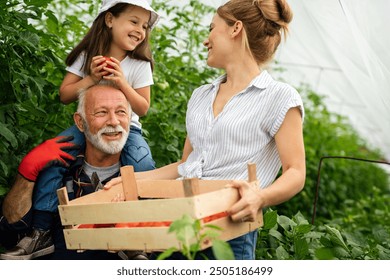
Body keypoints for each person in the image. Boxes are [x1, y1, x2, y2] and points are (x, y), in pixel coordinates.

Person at [105, 0, 306, 260]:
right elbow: (186, 164)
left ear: (235, 29)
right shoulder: (201, 96)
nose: (205, 40)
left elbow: (296, 172)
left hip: (231, 228)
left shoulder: (279, 97)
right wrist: (130, 181)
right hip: (180, 222)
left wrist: (259, 197)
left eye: (212, 29)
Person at [4, 0, 160, 260]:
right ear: (110, 19)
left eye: (144, 26)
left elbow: (142, 108)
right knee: (56, 158)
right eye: (134, 21)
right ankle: (41, 229)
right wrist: (91, 79)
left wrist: (121, 81)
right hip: (88, 126)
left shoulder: (138, 64)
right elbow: (64, 95)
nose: (140, 30)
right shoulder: (87, 55)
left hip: (127, 129)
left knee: (143, 165)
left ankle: (135, 231)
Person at [0, 81, 147, 260]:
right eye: (101, 112)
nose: (113, 121)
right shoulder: (55, 173)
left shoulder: (146, 177)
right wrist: (26, 173)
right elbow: (11, 231)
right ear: (80, 122)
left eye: (121, 112)